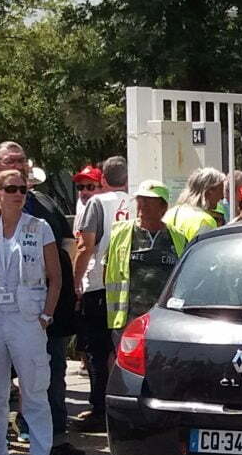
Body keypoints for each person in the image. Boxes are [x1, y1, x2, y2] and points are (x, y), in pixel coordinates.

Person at [0, 167, 63, 455]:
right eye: (12, 189)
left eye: (23, 189)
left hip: (26, 316)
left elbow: (55, 276)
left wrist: (46, 315)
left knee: (35, 388)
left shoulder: (40, 228)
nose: (19, 194)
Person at [71, 157, 132, 432]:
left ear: (103, 180)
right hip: (129, 285)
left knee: (97, 350)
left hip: (98, 283)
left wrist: (76, 282)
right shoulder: (135, 202)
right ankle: (122, 404)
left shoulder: (97, 203)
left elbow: (85, 247)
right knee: (120, 350)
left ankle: (99, 408)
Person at [104, 179, 188, 351]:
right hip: (128, 319)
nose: (142, 205)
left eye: (149, 201)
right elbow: (107, 269)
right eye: (140, 200)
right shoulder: (120, 233)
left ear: (163, 207)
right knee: (128, 366)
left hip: (164, 319)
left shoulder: (178, 238)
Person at [170, 168, 225, 239]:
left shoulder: (173, 213)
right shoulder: (204, 221)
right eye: (220, 190)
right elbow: (207, 249)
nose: (222, 197)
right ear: (209, 191)